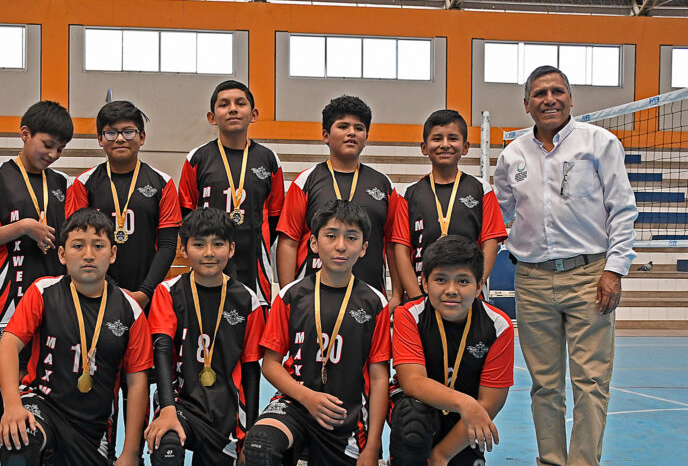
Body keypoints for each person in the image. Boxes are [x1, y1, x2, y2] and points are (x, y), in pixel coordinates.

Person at [493, 65, 637, 466]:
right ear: (527, 104)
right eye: (540, 93)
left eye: (557, 91)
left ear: (571, 99)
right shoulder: (512, 155)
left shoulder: (599, 144)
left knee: (591, 380)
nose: (549, 99)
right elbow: (499, 215)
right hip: (532, 279)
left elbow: (623, 210)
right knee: (544, 382)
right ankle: (552, 465)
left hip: (589, 274)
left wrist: (614, 269)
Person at [0, 208, 153, 466]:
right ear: (62, 253)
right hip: (43, 404)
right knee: (19, 442)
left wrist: (130, 453)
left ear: (112, 253)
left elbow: (137, 383)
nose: (88, 254)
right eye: (78, 245)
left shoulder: (130, 310)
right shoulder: (43, 292)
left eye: (98, 245)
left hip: (93, 427)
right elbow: (7, 347)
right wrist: (13, 406)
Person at [243, 199, 390, 466]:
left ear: (364, 248)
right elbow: (271, 364)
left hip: (344, 419)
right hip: (295, 405)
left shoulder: (375, 303)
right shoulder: (291, 295)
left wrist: (372, 448)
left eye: (351, 238)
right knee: (259, 448)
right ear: (313, 242)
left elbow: (380, 376)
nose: (340, 246)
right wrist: (307, 397)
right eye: (331, 236)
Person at [66, 100, 181, 466]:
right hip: (99, 299)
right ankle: (103, 459)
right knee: (101, 379)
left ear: (142, 138)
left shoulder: (162, 183)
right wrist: (109, 294)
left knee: (139, 382)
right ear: (99, 139)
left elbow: (167, 243)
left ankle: (138, 463)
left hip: (145, 300)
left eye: (129, 131)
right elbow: (78, 242)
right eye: (111, 132)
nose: (120, 138)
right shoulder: (83, 184)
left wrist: (145, 292)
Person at [144, 208, 266, 466]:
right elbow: (162, 352)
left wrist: (249, 434)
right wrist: (167, 408)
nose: (209, 253)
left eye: (217, 244)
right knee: (167, 444)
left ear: (231, 248)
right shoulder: (169, 292)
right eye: (199, 244)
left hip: (225, 414)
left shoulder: (249, 300)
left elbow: (252, 369)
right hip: (182, 403)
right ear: (184, 249)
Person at [386, 236, 514, 466]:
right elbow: (412, 382)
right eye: (440, 279)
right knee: (411, 415)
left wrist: (442, 454)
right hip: (422, 412)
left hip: (460, 428)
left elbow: (491, 403)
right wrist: (465, 402)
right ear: (424, 282)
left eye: (463, 281)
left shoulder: (498, 326)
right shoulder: (408, 315)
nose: (451, 290)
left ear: (479, 283)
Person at [0, 100, 74, 466]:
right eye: (46, 144)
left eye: (58, 149)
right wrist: (24, 228)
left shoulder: (61, 183)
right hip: (8, 297)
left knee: (50, 379)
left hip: (53, 301)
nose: (50, 154)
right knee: (11, 387)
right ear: (24, 134)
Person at [276, 95, 403, 307]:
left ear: (366, 136)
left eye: (359, 128)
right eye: (343, 126)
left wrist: (397, 295)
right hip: (311, 298)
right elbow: (289, 241)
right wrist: (288, 294)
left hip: (368, 298)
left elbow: (392, 244)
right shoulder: (306, 181)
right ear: (326, 135)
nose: (351, 132)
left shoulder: (384, 185)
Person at [178, 80, 285, 305]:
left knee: (253, 325)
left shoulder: (268, 159)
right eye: (224, 104)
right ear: (212, 117)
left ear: (253, 114)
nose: (233, 109)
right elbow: (186, 211)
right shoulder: (197, 158)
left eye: (240, 103)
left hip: (254, 260)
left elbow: (276, 215)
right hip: (208, 258)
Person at [390, 109, 506, 299]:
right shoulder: (408, 194)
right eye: (437, 139)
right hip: (422, 292)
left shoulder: (481, 189)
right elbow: (401, 250)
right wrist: (416, 299)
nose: (445, 145)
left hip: (469, 297)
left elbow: (490, 243)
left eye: (453, 138)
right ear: (424, 147)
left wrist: (475, 286)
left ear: (466, 147)